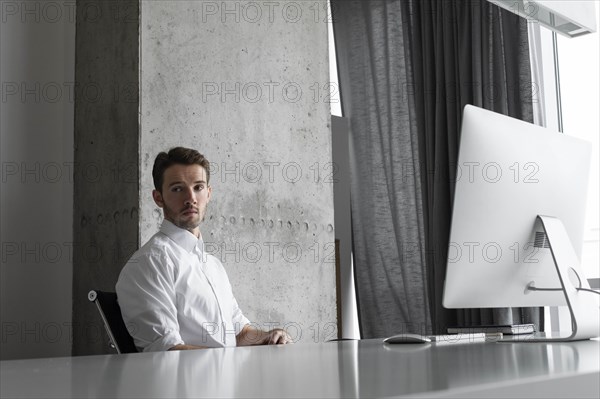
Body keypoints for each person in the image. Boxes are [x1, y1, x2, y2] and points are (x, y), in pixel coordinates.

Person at [116, 147, 292, 352]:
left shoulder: (213, 265)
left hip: (226, 380)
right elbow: (167, 350)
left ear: (208, 194)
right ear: (158, 198)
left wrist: (270, 336)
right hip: (185, 383)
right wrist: (230, 362)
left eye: (198, 187)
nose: (190, 198)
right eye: (177, 189)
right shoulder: (150, 262)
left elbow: (240, 333)